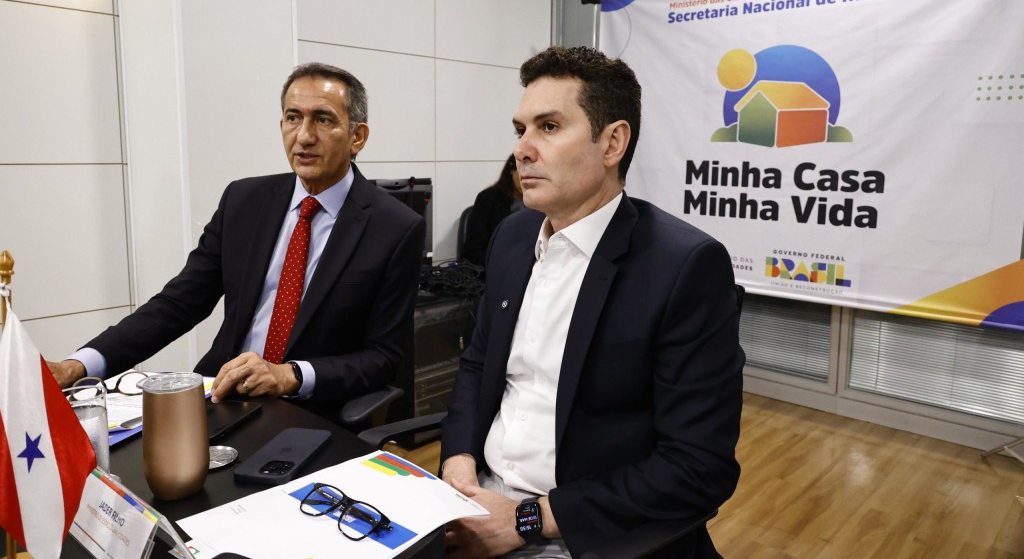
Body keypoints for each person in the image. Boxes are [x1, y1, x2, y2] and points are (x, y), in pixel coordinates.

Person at [439, 46, 745, 559]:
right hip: (476, 498)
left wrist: (526, 520)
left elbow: (698, 467)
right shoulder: (512, 237)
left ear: (613, 143)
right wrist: (458, 461)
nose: (523, 150)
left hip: (579, 529)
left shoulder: (683, 266)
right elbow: (477, 365)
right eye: (520, 130)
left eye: (549, 127)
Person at [48, 62, 426, 418]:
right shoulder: (244, 201)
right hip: (222, 394)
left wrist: (291, 374)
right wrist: (79, 365)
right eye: (293, 118)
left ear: (357, 136)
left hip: (311, 410)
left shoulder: (395, 227)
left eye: (323, 119)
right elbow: (178, 304)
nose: (304, 136)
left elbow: (382, 357)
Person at [462, 154, 523, 266]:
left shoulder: (543, 202)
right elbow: (473, 250)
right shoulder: (489, 198)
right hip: (499, 264)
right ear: (511, 170)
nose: (528, 181)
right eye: (523, 174)